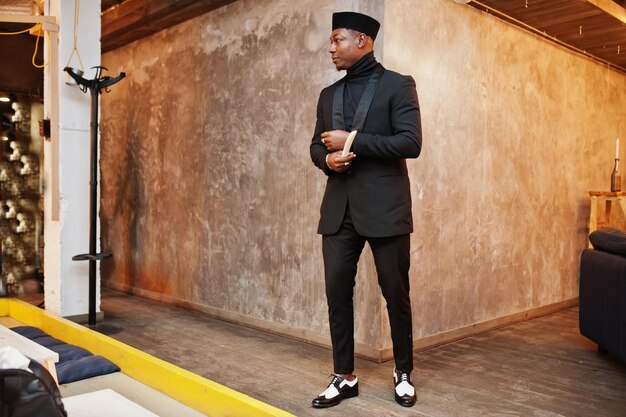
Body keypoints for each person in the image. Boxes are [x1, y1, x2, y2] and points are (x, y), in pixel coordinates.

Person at [309, 11, 422, 409]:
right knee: (336, 293)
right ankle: (345, 376)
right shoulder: (328, 95)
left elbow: (410, 143)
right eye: (331, 40)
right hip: (338, 210)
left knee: (396, 292)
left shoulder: (398, 85)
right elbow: (315, 147)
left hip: (386, 209)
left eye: (337, 40)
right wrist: (328, 160)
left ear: (363, 41)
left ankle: (403, 371)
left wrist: (352, 140)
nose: (331, 47)